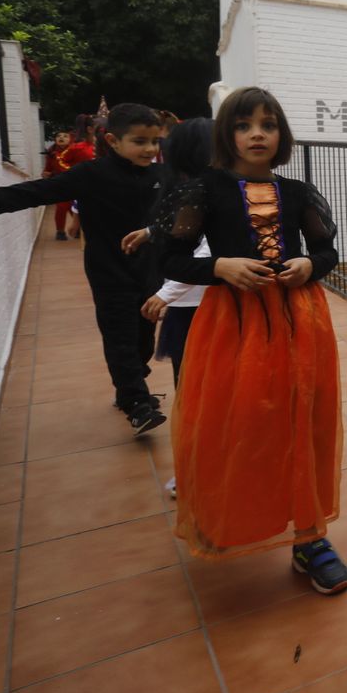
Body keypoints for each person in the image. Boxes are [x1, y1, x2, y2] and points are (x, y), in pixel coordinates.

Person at [153, 87, 347, 593]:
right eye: (244, 125)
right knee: (231, 420)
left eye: (268, 124)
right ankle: (219, 517)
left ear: (281, 134)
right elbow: (170, 259)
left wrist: (310, 264)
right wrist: (218, 266)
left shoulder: (299, 193)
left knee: (302, 419)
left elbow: (326, 251)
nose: (257, 133)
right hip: (233, 324)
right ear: (227, 134)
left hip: (299, 320)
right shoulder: (204, 191)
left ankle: (310, 539)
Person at [0, 103, 169, 435]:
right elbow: (36, 191)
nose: (150, 149)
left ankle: (129, 387)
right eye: (140, 141)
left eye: (154, 142)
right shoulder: (91, 175)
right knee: (121, 338)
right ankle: (137, 403)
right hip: (109, 273)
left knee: (144, 339)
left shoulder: (162, 176)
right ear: (114, 141)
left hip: (149, 274)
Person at [139, 117, 213, 501]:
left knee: (197, 394)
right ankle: (199, 470)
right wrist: (151, 232)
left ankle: (198, 473)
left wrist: (167, 292)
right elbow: (189, 232)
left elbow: (205, 250)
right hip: (195, 308)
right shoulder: (200, 189)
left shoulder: (201, 190)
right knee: (198, 392)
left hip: (198, 310)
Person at [41, 129, 94, 241]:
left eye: (65, 136)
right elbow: (48, 169)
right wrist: (47, 174)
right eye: (59, 136)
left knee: (74, 207)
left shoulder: (75, 151)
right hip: (60, 184)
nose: (61, 138)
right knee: (61, 207)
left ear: (71, 139)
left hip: (76, 182)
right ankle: (60, 231)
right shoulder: (52, 154)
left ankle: (77, 229)